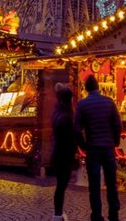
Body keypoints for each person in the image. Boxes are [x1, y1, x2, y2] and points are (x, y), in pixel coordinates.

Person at [74, 75, 122, 221]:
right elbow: (117, 124)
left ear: (86, 88)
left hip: (93, 149)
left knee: (94, 185)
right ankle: (114, 214)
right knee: (111, 183)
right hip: (107, 148)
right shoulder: (109, 102)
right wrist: (115, 141)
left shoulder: (82, 105)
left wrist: (84, 146)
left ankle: (96, 215)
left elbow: (76, 130)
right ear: (98, 87)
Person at [51, 83, 77, 221]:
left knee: (60, 185)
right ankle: (57, 214)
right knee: (62, 185)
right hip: (64, 154)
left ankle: (57, 213)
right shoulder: (67, 117)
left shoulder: (56, 113)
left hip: (57, 153)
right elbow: (70, 139)